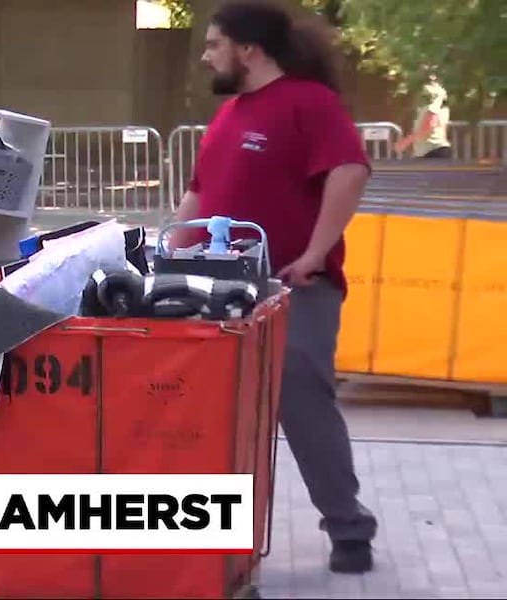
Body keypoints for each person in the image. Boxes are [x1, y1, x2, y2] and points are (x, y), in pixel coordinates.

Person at [172, 0, 378, 574]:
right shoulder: (229, 114)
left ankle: (348, 528)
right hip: (219, 288)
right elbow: (199, 194)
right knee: (210, 407)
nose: (206, 56)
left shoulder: (309, 103)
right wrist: (165, 250)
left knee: (302, 399)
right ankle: (209, 532)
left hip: (295, 286)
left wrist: (315, 252)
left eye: (214, 45)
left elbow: (350, 170)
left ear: (248, 49)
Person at [393, 76, 452, 159]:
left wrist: (405, 142)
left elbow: (429, 126)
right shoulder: (440, 106)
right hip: (432, 150)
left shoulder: (434, 104)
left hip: (432, 151)